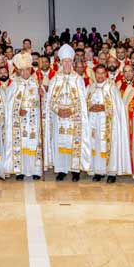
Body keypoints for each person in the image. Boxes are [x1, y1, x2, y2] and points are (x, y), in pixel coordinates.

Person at [45, 44, 90, 181]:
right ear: (60, 62)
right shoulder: (54, 80)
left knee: (73, 142)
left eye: (69, 61)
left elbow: (82, 101)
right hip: (59, 118)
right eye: (64, 61)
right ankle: (61, 170)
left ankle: (75, 170)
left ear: (73, 62)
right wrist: (58, 110)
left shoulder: (78, 80)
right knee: (60, 143)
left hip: (73, 118)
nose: (67, 64)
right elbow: (49, 101)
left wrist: (71, 110)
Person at [85, 65, 132, 183]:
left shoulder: (111, 87)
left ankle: (111, 172)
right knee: (95, 146)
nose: (100, 76)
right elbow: (85, 104)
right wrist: (90, 107)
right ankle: (98, 171)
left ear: (106, 74)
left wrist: (104, 107)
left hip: (108, 124)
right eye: (98, 73)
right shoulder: (91, 88)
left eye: (102, 73)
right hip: (93, 123)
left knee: (108, 146)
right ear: (94, 74)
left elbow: (118, 107)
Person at [2, 52, 45, 180]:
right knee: (21, 144)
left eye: (27, 69)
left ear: (30, 69)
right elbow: (8, 105)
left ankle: (36, 171)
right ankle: (19, 171)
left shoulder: (36, 83)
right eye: (22, 70)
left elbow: (44, 103)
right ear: (18, 71)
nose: (25, 72)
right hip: (19, 122)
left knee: (33, 143)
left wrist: (43, 95)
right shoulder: (14, 85)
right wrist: (17, 111)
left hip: (33, 120)